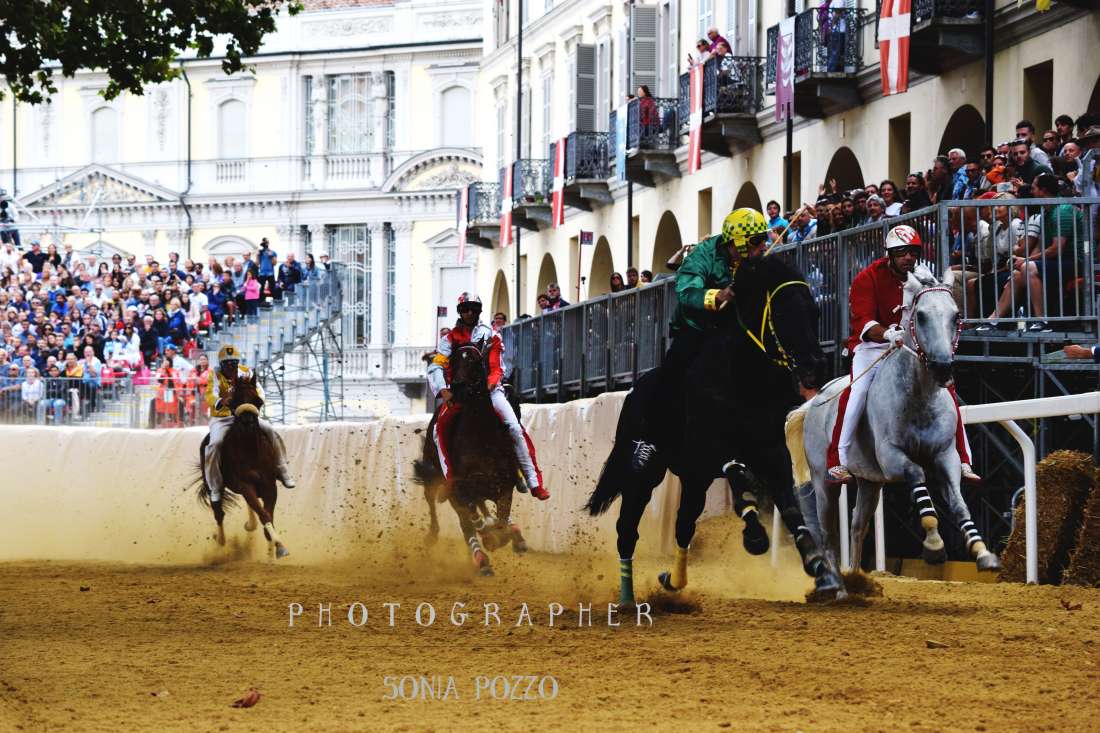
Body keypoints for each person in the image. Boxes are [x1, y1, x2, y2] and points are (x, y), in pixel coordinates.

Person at [826, 225, 979, 483]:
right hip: (873, 347)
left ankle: (964, 460)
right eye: (901, 252)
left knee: (947, 387)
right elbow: (862, 322)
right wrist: (887, 334)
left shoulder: (923, 275)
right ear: (890, 254)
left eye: (912, 252)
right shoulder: (867, 277)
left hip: (910, 347)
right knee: (858, 391)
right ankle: (837, 460)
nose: (908, 257)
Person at [632, 208, 770, 471]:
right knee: (672, 371)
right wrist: (716, 296)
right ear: (739, 241)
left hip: (735, 327)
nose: (762, 245)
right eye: (756, 240)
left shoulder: (755, 258)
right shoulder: (702, 255)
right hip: (696, 326)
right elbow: (686, 292)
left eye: (763, 239)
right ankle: (649, 438)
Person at [426, 293, 550, 500]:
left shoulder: (491, 334)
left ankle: (533, 481)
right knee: (439, 429)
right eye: (465, 309)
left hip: (490, 392)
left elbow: (497, 366)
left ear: (478, 311)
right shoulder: (449, 339)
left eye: (473, 309)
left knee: (513, 426)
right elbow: (437, 365)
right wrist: (443, 390)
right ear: (460, 312)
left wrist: (490, 383)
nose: (468, 312)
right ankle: (449, 480)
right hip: (459, 394)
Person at [203, 344, 295, 503]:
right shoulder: (215, 375)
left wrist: (257, 402)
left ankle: (282, 469)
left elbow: (259, 390)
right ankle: (216, 486)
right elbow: (210, 395)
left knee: (271, 430)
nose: (231, 367)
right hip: (222, 418)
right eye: (227, 364)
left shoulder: (246, 372)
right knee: (215, 444)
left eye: (234, 363)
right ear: (221, 365)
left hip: (246, 413)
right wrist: (220, 401)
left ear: (238, 363)